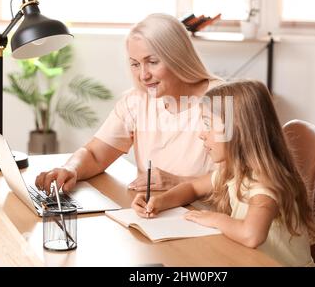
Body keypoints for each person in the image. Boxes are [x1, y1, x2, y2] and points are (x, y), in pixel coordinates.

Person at [131, 80, 315, 267]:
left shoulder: (264, 182)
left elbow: (251, 235)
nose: (201, 134)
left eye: (208, 124)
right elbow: (193, 188)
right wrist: (160, 202)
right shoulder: (234, 170)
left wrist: (215, 219)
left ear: (238, 130)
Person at [35, 13, 223, 195]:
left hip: (205, 218)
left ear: (178, 57)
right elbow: (95, 155)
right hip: (152, 213)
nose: (143, 75)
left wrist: (179, 183)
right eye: (135, 64)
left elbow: (241, 179)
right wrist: (70, 169)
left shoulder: (224, 101)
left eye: (153, 62)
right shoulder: (136, 101)